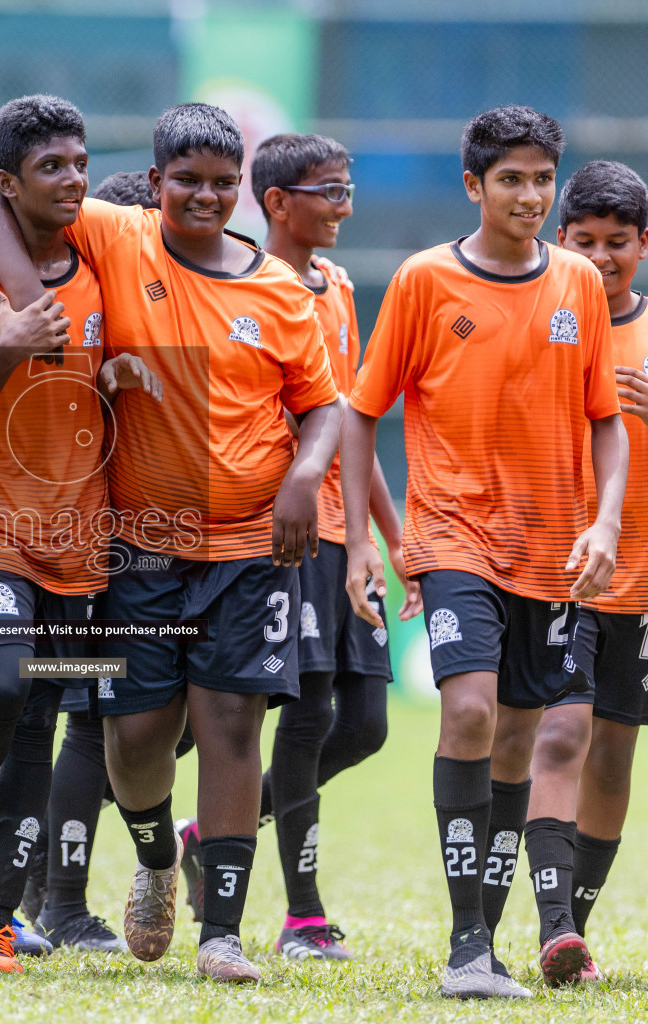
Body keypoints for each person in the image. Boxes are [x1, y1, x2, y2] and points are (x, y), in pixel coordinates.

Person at [0, 102, 342, 983]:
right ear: (158, 182)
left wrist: (300, 480)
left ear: (241, 189)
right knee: (134, 743)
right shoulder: (120, 237)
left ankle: (224, 934)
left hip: (251, 545)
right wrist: (32, 304)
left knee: (231, 727)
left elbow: (323, 404)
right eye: (187, 182)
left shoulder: (278, 290)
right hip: (140, 547)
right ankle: (160, 861)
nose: (205, 198)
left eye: (221, 184)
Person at [340, 105, 625, 998]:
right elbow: (360, 412)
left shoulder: (578, 281)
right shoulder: (426, 282)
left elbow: (606, 422)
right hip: (454, 536)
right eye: (511, 179)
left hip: (553, 549)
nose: (530, 195)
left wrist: (606, 519)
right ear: (474, 186)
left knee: (517, 739)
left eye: (543, 178)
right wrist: (361, 543)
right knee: (468, 713)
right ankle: (467, 945)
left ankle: (490, 940)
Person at [0, 94, 160, 973]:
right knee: (7, 681)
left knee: (40, 725)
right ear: (12, 185)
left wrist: (125, 377)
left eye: (80, 163)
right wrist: (8, 347)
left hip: (81, 544)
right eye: (51, 167)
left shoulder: (101, 270)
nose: (73, 180)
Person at [528, 160, 648, 982]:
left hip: (640, 578)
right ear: (558, 239)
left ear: (645, 245)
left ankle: (575, 928)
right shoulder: (538, 315)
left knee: (613, 757)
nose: (601, 257)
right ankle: (550, 925)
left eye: (618, 243)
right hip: (554, 569)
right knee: (562, 731)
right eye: (584, 241)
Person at [242, 131, 420, 962]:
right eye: (330, 192)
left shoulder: (339, 287)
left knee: (368, 725)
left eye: (349, 190)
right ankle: (303, 917)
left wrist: (386, 539)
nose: (346, 206)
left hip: (344, 538)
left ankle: (213, 828)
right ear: (279, 202)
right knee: (309, 713)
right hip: (289, 534)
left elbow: (352, 421)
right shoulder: (247, 284)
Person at [25, 168, 159, 955]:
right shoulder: (85, 301)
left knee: (143, 721)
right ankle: (58, 899)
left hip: (157, 545)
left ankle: (42, 880)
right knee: (85, 714)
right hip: (90, 540)